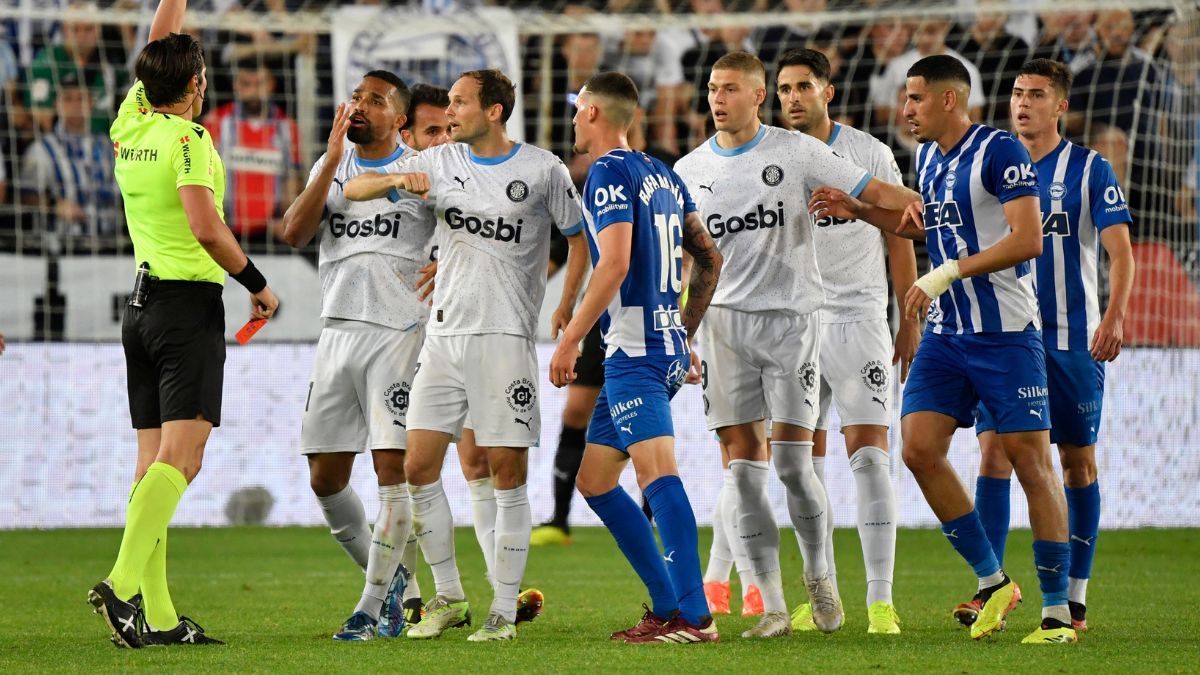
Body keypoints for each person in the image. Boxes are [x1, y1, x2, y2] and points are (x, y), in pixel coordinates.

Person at [810, 54, 1076, 645]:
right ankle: (993, 580)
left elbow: (1027, 238)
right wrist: (864, 211)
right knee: (919, 448)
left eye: (915, 99)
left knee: (1030, 461)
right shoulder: (928, 156)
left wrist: (948, 272)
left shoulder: (1000, 151)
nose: (905, 110)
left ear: (949, 100)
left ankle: (1058, 613)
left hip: (1005, 334)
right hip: (948, 333)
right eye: (905, 99)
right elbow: (933, 225)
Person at [672, 51, 918, 639]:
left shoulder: (798, 151)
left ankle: (819, 576)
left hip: (792, 325)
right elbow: (687, 263)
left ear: (756, 97)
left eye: (730, 89)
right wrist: (682, 332)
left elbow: (890, 197)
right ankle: (775, 607)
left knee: (791, 464)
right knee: (743, 472)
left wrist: (917, 215)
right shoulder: (687, 170)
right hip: (725, 329)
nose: (717, 98)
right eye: (711, 88)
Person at [344, 68, 589, 642]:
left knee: (507, 474)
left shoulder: (542, 169)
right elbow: (352, 189)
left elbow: (579, 239)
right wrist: (397, 180)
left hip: (504, 339)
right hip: (444, 339)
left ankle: (503, 611)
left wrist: (569, 310)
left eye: (459, 103)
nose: (449, 113)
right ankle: (450, 595)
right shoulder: (438, 161)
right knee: (417, 467)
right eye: (449, 104)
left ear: (495, 111)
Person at [88, 0, 279, 649]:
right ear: (197, 84)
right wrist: (257, 283)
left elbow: (157, 44)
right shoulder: (188, 140)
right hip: (184, 311)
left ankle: (162, 618)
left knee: (154, 469)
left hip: (138, 312)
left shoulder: (131, 127)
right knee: (184, 460)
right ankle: (119, 585)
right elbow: (205, 226)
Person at [960, 58, 1135, 634]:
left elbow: (1121, 252)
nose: (1023, 103)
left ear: (1059, 105)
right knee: (992, 454)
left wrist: (1113, 315)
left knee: (1076, 464)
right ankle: (991, 590)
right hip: (1005, 340)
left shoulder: (1088, 169)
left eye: (1036, 94)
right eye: (1017, 93)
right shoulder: (989, 163)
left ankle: (1074, 597)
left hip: (1070, 342)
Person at [557, 69, 723, 644]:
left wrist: (571, 338)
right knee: (597, 480)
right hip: (662, 347)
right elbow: (709, 259)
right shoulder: (663, 175)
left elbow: (616, 264)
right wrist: (683, 333)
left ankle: (694, 617)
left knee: (657, 473)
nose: (574, 119)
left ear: (596, 113)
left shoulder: (605, 172)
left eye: (578, 110)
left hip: (635, 353)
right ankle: (665, 603)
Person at [278, 70, 435, 641]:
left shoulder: (422, 172)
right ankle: (398, 586)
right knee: (324, 476)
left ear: (400, 119)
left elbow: (459, 232)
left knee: (390, 471)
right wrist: (328, 160)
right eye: (357, 97)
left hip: (398, 332)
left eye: (377, 100)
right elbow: (293, 231)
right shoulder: (335, 167)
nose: (361, 106)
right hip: (337, 331)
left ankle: (369, 609)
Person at [775, 48, 919, 635]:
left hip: (859, 318)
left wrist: (910, 313)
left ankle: (880, 600)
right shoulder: (771, 156)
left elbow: (904, 229)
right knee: (800, 466)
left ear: (827, 92)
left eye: (803, 87)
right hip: (794, 325)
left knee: (869, 457)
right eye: (783, 88)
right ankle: (822, 594)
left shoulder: (867, 153)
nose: (791, 98)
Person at [208, 59, 303, 243]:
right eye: (245, 84)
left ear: (271, 84)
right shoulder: (216, 122)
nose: (252, 91)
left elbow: (292, 179)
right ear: (235, 85)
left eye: (259, 83)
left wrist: (285, 220)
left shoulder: (287, 127)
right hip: (226, 229)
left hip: (271, 233)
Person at [19, 73, 121, 243]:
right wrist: (54, 205)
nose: (75, 105)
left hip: (109, 246)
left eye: (81, 98)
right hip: (62, 247)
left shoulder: (108, 147)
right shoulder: (41, 150)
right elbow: (25, 195)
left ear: (91, 103)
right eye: (67, 99)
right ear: (56, 104)